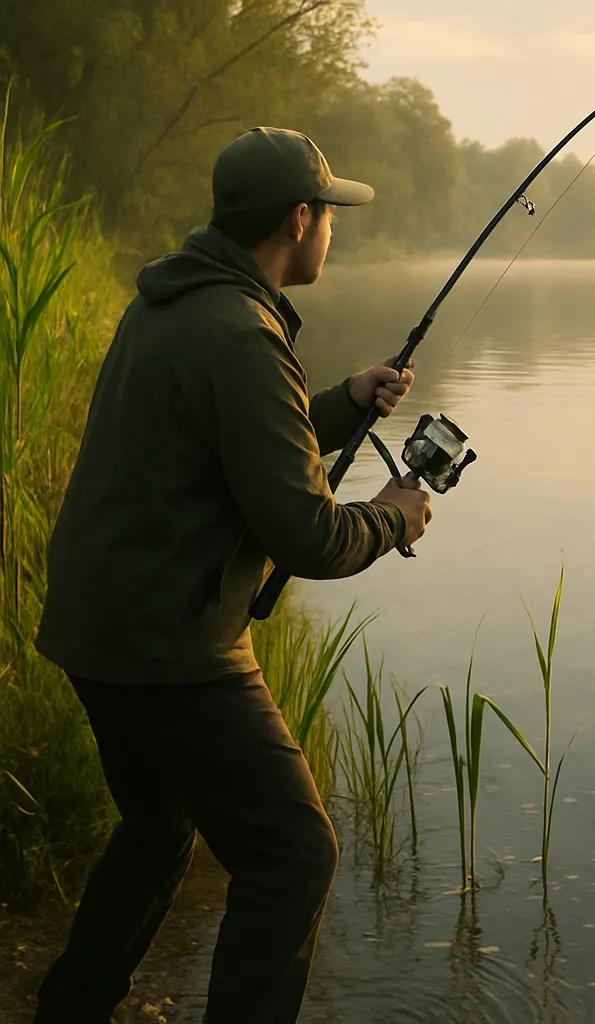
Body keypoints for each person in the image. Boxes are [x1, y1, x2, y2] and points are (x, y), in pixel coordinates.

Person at [29, 127, 430, 1024]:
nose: (335, 231)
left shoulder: (173, 303)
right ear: (299, 218)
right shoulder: (244, 335)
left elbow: (232, 447)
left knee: (159, 825)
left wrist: (343, 401)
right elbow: (311, 536)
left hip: (98, 631)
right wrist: (394, 518)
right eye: (331, 215)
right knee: (295, 854)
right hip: (175, 650)